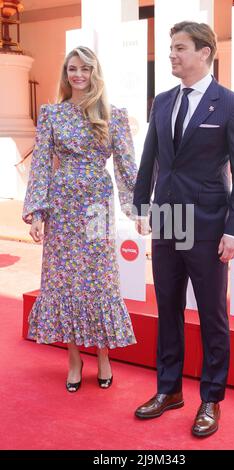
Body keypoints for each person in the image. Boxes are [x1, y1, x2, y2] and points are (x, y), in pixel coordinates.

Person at [133, 21, 234, 437]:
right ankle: (169, 390)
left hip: (206, 224)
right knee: (167, 309)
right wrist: (140, 204)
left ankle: (211, 399)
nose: (171, 54)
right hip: (167, 220)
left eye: (179, 47)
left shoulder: (231, 105)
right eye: (170, 47)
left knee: (211, 315)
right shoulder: (163, 101)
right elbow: (150, 157)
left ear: (205, 53)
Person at [23, 46, 137, 392]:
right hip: (61, 205)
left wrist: (139, 210)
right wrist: (37, 213)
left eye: (85, 69)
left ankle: (103, 355)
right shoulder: (52, 115)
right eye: (72, 68)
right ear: (66, 73)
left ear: (94, 73)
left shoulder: (113, 115)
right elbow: (41, 165)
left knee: (98, 277)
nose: (78, 75)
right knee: (64, 280)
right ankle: (74, 357)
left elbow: (126, 167)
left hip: (96, 207)